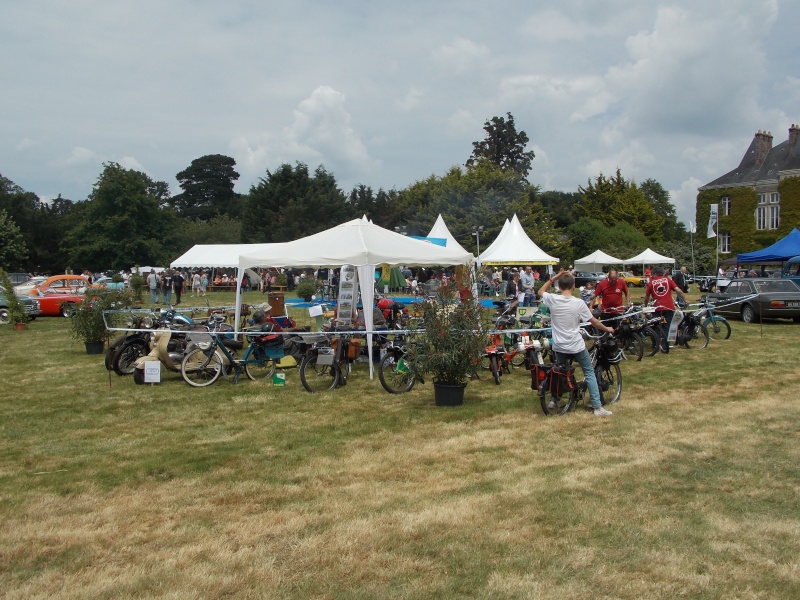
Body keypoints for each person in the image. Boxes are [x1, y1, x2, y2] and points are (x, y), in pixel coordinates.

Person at [538, 270, 615, 417]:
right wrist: (607, 328)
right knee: (589, 372)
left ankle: (554, 399)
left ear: (559, 286)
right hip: (575, 344)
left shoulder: (553, 299)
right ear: (574, 286)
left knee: (558, 373)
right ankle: (597, 408)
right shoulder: (578, 303)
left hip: (559, 345)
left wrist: (555, 277)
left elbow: (540, 291)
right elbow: (593, 321)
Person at [645, 266, 688, 353]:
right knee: (666, 327)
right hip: (668, 307)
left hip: (657, 308)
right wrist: (685, 300)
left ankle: (655, 344)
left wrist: (645, 307)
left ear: (655, 273)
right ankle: (665, 345)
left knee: (655, 326)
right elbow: (678, 290)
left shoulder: (651, 282)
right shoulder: (668, 280)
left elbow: (646, 297)